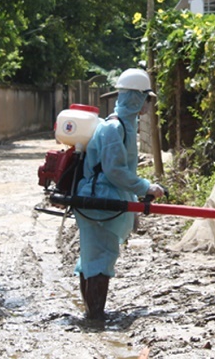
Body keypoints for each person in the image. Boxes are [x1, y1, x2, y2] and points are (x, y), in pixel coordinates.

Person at [74, 68, 165, 320]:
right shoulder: (114, 129)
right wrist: (145, 187)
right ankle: (95, 320)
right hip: (100, 202)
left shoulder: (123, 125)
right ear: (136, 97)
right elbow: (115, 171)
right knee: (100, 259)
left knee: (93, 257)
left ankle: (92, 313)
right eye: (146, 98)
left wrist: (135, 197)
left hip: (104, 201)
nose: (148, 105)